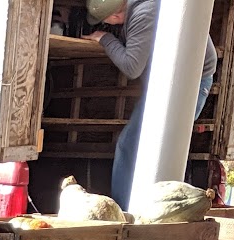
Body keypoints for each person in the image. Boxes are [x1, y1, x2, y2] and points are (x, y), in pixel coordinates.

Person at [86, 0, 218, 209]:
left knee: (140, 147)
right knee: (136, 146)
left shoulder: (143, 14)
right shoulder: (142, 7)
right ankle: (135, 210)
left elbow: (132, 67)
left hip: (188, 85)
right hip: (170, 83)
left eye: (106, 22)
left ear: (115, 16)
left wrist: (105, 39)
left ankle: (125, 211)